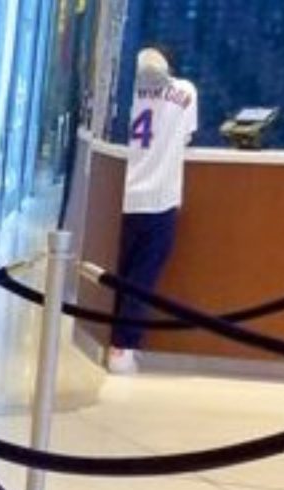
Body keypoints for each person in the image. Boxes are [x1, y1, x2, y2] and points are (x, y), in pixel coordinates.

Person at [108, 47, 198, 375]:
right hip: (160, 200)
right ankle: (123, 348)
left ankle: (109, 343)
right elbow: (187, 136)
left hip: (123, 198)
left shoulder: (124, 94)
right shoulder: (185, 92)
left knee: (115, 275)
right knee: (142, 280)